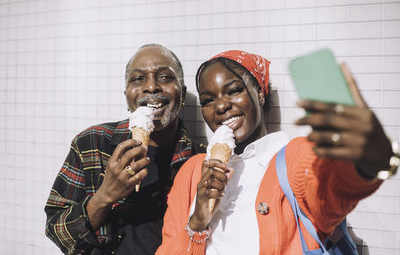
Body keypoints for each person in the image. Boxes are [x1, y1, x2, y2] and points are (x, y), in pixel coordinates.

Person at [156, 50, 398, 254]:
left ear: (260, 94)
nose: (220, 106)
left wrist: (369, 156)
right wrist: (197, 222)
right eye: (208, 100)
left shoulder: (292, 158)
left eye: (233, 91)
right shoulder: (192, 172)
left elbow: (334, 187)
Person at [45, 44, 205, 255]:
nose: (151, 87)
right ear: (127, 96)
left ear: (182, 95)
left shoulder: (199, 160)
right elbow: (57, 231)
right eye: (138, 79)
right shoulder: (92, 143)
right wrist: (104, 196)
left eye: (165, 77)